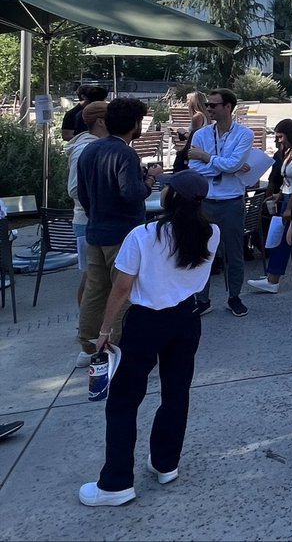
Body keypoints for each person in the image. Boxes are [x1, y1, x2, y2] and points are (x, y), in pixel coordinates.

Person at [77, 170, 220, 507]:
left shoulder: (142, 235)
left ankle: (116, 483)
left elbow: (122, 288)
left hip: (146, 321)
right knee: (176, 392)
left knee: (124, 401)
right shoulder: (210, 233)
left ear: (171, 197)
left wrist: (104, 330)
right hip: (186, 318)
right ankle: (166, 462)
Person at [76, 97, 162, 358]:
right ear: (135, 124)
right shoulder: (125, 152)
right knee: (123, 291)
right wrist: (150, 178)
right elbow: (131, 193)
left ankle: (89, 343)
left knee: (95, 290)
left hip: (96, 230)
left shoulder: (89, 150)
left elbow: (83, 194)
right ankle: (116, 344)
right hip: (123, 234)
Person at [187, 88, 254, 318]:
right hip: (205, 200)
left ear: (228, 107)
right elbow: (194, 168)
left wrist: (207, 158)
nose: (208, 109)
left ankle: (234, 296)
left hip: (231, 202)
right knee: (202, 252)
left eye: (213, 105)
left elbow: (233, 164)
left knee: (234, 253)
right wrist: (225, 166)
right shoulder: (201, 135)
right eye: (207, 105)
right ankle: (202, 299)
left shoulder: (244, 134)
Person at [248, 120, 292, 293]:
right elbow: (290, 181)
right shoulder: (290, 152)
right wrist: (279, 195)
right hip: (287, 197)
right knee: (284, 239)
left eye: (280, 136)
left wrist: (290, 207)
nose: (278, 140)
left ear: (290, 134)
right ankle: (273, 276)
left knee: (284, 240)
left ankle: (273, 279)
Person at [68, 102, 109, 366]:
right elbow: (75, 188)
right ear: (101, 122)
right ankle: (87, 336)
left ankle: (88, 333)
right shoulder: (85, 147)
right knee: (93, 282)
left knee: (93, 280)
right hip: (88, 221)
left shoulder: (93, 143)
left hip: (91, 220)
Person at [172, 91, 209, 172]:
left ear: (194, 102)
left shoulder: (197, 116)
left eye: (188, 100)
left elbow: (194, 136)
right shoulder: (206, 115)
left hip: (194, 149)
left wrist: (183, 132)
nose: (187, 102)